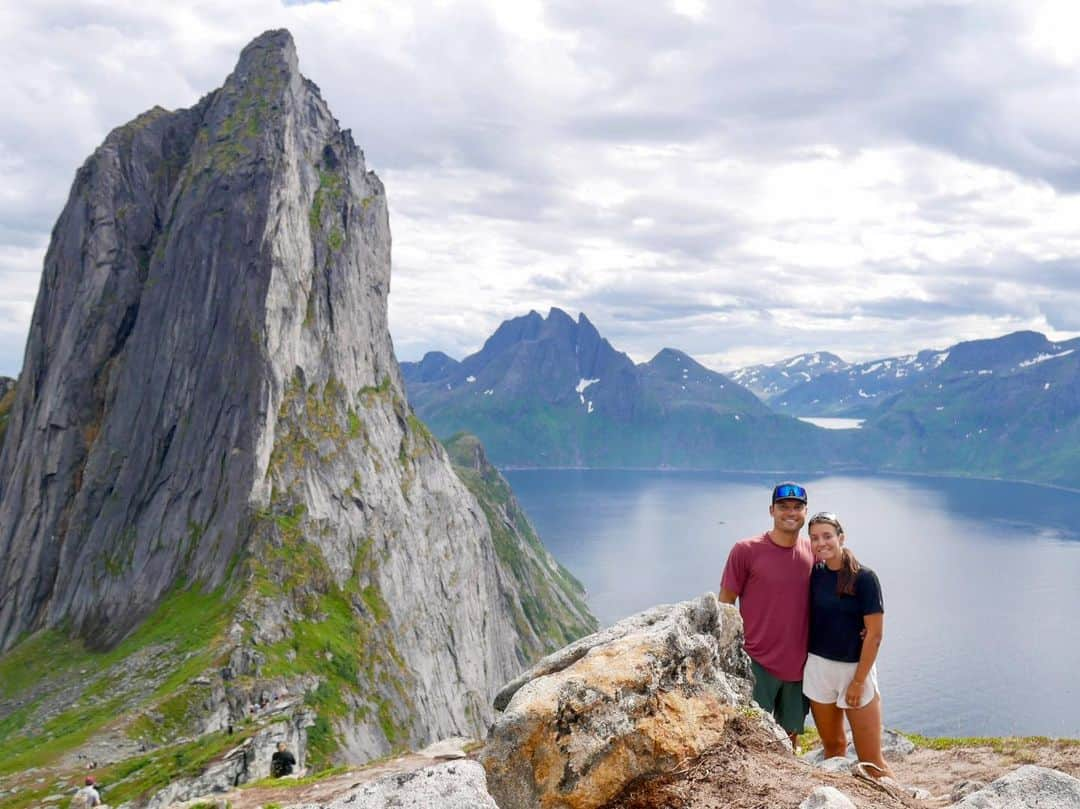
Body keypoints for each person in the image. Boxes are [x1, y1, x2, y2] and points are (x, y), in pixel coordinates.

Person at [719, 482, 814, 749]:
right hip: (755, 662)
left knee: (788, 740)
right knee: (749, 740)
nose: (791, 513)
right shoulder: (746, 550)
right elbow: (725, 604)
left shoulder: (813, 553)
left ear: (805, 512)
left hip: (798, 665)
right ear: (772, 510)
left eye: (797, 507)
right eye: (784, 507)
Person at [804, 511, 892, 779]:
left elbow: (875, 635)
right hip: (819, 668)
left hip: (855, 671)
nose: (822, 543)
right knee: (833, 749)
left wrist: (858, 681)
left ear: (841, 537)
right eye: (815, 538)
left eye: (828, 536)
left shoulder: (864, 578)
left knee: (872, 762)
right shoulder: (814, 574)